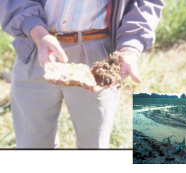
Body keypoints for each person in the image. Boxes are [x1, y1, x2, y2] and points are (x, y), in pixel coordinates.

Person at [0, 0, 164, 148]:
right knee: (32, 146)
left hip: (99, 58)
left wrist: (130, 48)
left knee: (93, 146)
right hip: (36, 45)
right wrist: (38, 33)